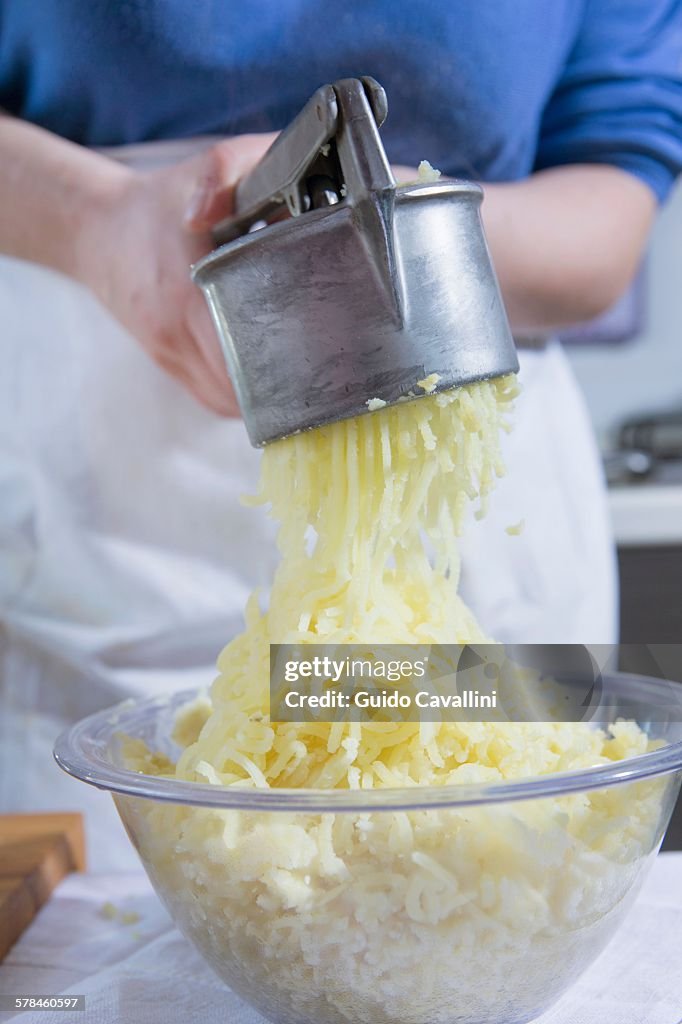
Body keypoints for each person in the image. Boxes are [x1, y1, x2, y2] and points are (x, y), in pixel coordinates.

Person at [1, 1, 681, 868]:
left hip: (476, 530)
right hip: (102, 514)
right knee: (102, 948)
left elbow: (613, 196)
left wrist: (406, 227)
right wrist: (92, 220)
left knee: (482, 874)